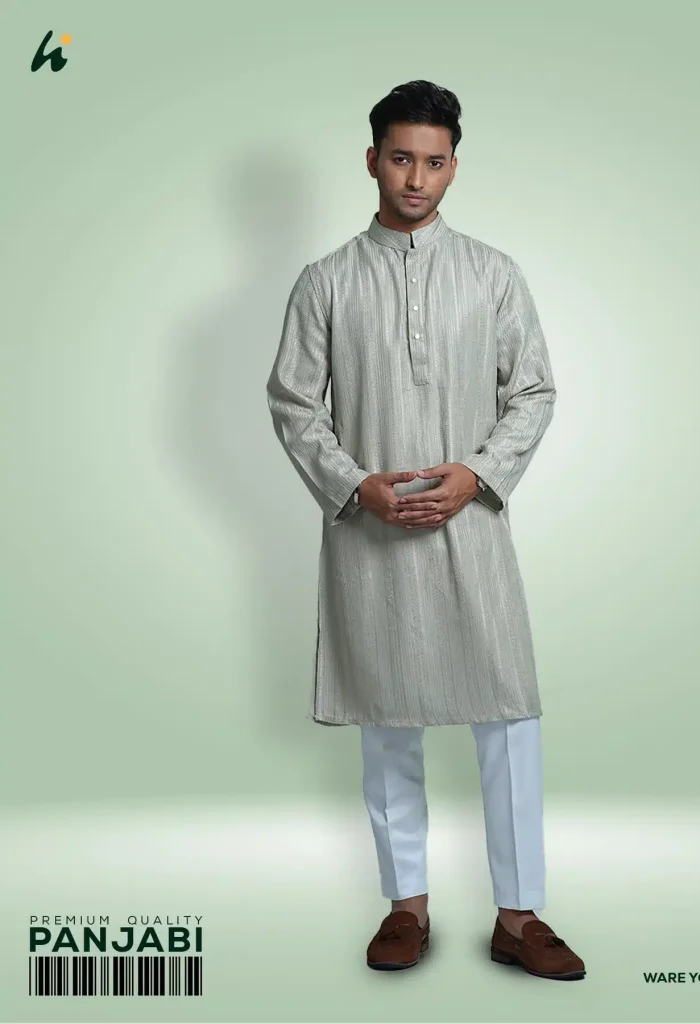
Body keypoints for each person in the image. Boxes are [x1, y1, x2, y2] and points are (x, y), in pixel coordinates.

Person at [266, 80, 585, 981]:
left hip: (469, 522)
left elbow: (533, 391)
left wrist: (476, 474)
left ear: (454, 166)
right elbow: (294, 403)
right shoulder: (326, 281)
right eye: (401, 158)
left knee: (507, 715)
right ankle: (405, 906)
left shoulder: (492, 273)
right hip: (369, 530)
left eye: (434, 161)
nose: (416, 178)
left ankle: (518, 916)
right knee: (386, 716)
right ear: (372, 159)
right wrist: (353, 485)